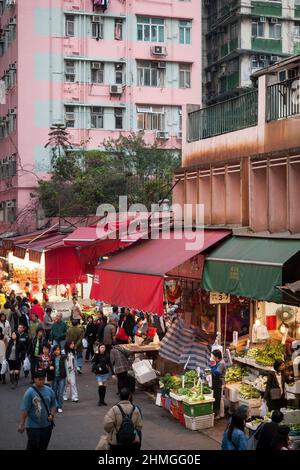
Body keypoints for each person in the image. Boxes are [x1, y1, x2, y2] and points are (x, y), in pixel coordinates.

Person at [18, 370, 56, 450]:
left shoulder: (49, 390)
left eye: (43, 379)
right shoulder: (29, 393)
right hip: (33, 426)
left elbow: (54, 404)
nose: (42, 381)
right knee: (34, 446)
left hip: (47, 425)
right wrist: (21, 424)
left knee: (43, 446)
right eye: (40, 379)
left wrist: (52, 415)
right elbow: (24, 410)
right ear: (34, 379)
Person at [103, 387, 143, 452]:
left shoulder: (114, 409)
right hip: (131, 441)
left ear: (120, 396)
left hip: (116, 441)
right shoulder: (135, 409)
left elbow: (107, 425)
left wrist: (114, 431)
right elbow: (139, 426)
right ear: (130, 396)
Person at [51, 345, 68, 413]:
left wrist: (68, 377)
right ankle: (56, 406)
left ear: (60, 350)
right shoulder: (52, 357)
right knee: (54, 392)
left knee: (60, 393)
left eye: (58, 350)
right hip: (54, 377)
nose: (57, 351)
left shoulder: (63, 357)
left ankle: (60, 406)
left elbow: (66, 367)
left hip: (62, 377)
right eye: (55, 350)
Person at [211, 349, 226, 419]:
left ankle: (219, 414)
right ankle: (217, 413)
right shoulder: (218, 362)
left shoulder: (221, 363)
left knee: (218, 398)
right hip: (216, 382)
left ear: (217, 357)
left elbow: (217, 373)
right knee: (216, 397)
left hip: (219, 383)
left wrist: (211, 369)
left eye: (214, 356)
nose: (213, 358)